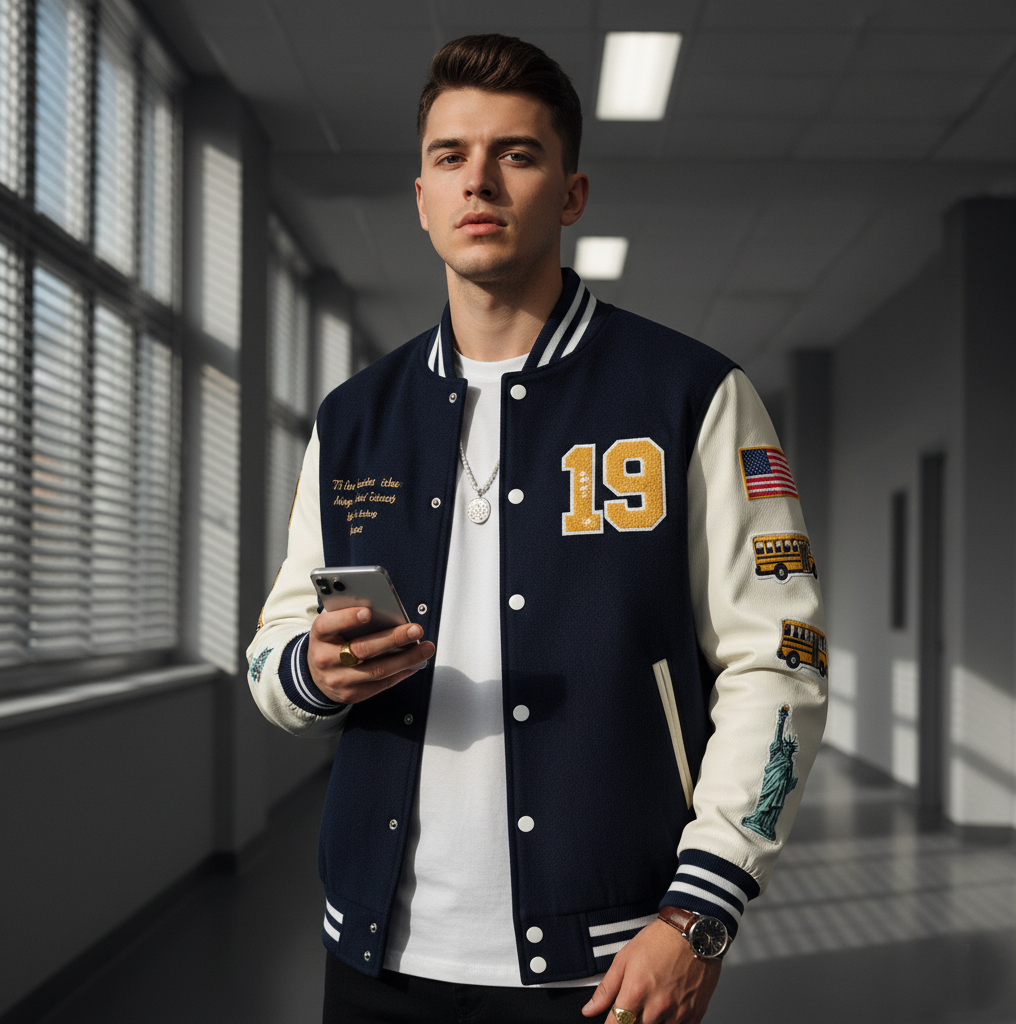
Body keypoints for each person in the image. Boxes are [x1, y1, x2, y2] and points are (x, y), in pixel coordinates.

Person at [247, 34, 827, 1024]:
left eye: (515, 154)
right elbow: (271, 654)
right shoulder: (353, 417)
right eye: (449, 156)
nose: (478, 180)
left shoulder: (693, 395)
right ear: (422, 194)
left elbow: (780, 656)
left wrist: (699, 912)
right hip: (376, 956)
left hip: (608, 968)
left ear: (570, 193)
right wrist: (312, 668)